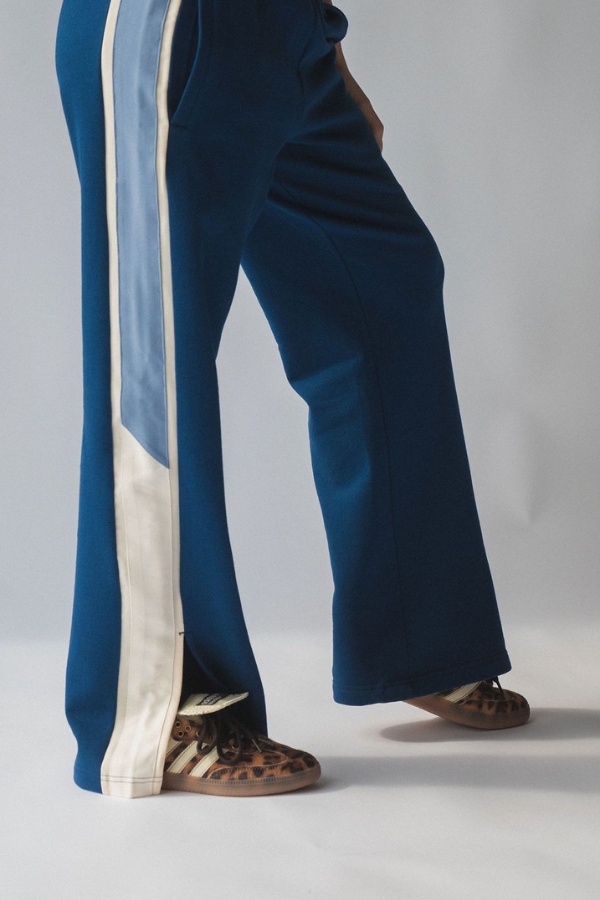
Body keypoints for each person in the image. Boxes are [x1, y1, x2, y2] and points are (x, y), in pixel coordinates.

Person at [55, 0, 529, 800]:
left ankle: (416, 640)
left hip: (285, 33)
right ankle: (160, 712)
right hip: (170, 25)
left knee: (382, 283)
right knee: (155, 360)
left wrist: (317, 40)